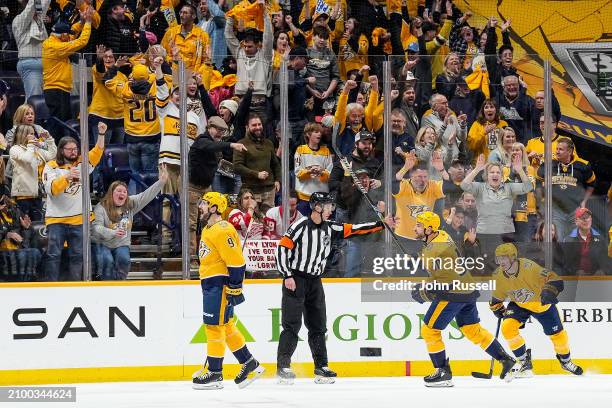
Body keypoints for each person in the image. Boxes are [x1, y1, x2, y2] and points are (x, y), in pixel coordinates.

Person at [275, 192, 394, 384]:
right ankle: (283, 367)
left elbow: (354, 229)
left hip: (315, 281)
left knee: (318, 326)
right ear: (317, 207)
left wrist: (381, 224)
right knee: (291, 325)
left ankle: (321, 367)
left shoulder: (330, 227)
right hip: (296, 279)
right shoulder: (300, 226)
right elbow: (282, 249)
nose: (331, 209)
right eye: (328, 206)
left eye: (331, 205)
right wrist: (287, 274)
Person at [412, 212, 516, 387]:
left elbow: (443, 280)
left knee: (430, 330)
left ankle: (442, 372)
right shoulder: (442, 235)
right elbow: (441, 267)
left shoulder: (433, 250)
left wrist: (424, 291)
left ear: (429, 229)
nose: (415, 228)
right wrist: (420, 261)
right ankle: (505, 359)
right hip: (468, 289)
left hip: (453, 293)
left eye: (419, 225)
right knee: (472, 330)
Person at [192, 192, 264, 389]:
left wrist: (234, 287)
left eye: (205, 203)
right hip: (210, 283)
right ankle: (249, 363)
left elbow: (237, 261)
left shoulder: (223, 229)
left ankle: (215, 372)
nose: (201, 206)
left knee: (213, 326)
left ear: (215, 207)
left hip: (219, 284)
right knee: (226, 325)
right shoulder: (209, 227)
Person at [491, 243, 584, 377]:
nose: (501, 261)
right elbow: (497, 295)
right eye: (498, 258)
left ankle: (565, 361)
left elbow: (555, 279)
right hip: (519, 304)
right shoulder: (498, 275)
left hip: (541, 303)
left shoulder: (529, 267)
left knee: (558, 335)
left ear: (513, 257)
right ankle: (524, 361)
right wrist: (496, 307)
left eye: (504, 258)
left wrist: (548, 291)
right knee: (507, 327)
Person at [42, 122, 106, 281]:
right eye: (70, 149)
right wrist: (66, 177)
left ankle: (76, 286)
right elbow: (52, 190)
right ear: (61, 150)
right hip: (56, 219)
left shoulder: (81, 163)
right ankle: (51, 286)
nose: (73, 152)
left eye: (75, 149)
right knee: (53, 255)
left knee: (78, 256)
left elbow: (97, 152)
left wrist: (102, 134)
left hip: (79, 219)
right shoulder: (50, 167)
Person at [92, 165, 168, 280]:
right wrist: (112, 232)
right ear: (111, 193)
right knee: (107, 261)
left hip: (121, 244)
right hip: (103, 243)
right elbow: (96, 228)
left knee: (124, 259)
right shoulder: (101, 207)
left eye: (124, 191)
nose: (122, 193)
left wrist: (161, 182)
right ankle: (107, 286)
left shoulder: (130, 204)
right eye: (118, 191)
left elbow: (146, 195)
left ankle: (120, 285)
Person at [460, 153, 533, 271]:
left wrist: (520, 170)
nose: (495, 175)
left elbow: (528, 187)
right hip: (484, 235)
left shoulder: (509, 188)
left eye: (498, 172)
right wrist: (477, 169)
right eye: (492, 172)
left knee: (506, 267)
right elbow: (464, 185)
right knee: (487, 268)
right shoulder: (480, 188)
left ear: (502, 175)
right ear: (487, 175)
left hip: (505, 235)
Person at [188, 116, 246, 258]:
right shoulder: (201, 141)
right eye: (218, 130)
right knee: (191, 223)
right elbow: (211, 146)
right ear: (209, 128)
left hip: (206, 187)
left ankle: (209, 253)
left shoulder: (216, 144)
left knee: (210, 219)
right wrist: (232, 145)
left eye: (223, 131)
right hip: (191, 187)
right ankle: (191, 259)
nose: (220, 133)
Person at [536, 138, 595, 240]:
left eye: (561, 149)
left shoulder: (583, 165)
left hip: (575, 211)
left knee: (575, 240)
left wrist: (584, 201)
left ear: (570, 151)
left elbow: (592, 184)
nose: (557, 151)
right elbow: (538, 182)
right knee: (557, 239)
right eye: (557, 148)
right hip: (555, 210)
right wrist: (541, 201)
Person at [42, 8, 93, 121]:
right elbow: (82, 41)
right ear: (63, 35)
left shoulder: (55, 40)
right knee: (58, 123)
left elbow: (72, 33)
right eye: (67, 35)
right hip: (55, 90)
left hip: (59, 89)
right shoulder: (57, 47)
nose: (69, 37)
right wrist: (88, 23)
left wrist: (81, 22)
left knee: (63, 122)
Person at [9, 124, 57, 222]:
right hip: (23, 195)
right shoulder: (15, 149)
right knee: (23, 228)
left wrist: (49, 139)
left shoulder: (35, 149)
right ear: (22, 135)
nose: (34, 136)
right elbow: (27, 159)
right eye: (30, 134)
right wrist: (31, 144)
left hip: (37, 194)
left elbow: (52, 155)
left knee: (37, 226)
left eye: (33, 133)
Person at [233, 114, 281, 207]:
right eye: (254, 125)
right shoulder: (241, 144)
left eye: (259, 124)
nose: (258, 127)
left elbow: (275, 164)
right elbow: (237, 167)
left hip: (269, 190)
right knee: (252, 219)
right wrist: (256, 174)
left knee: (269, 220)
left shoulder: (268, 143)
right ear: (247, 127)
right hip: (251, 192)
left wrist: (277, 180)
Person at [12, 0, 52, 101]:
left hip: (46, 65)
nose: (39, 11)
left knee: (42, 101)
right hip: (30, 64)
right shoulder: (19, 20)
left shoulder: (39, 21)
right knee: (34, 100)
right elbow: (30, 8)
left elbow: (44, 3)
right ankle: (27, 116)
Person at [294, 122, 333, 216]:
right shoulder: (300, 150)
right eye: (316, 131)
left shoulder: (326, 151)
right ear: (308, 134)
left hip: (322, 197)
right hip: (304, 197)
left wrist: (321, 172)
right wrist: (309, 171)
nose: (319, 134)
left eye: (320, 132)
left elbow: (330, 173)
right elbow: (298, 172)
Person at [0, 195, 41, 282]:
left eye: (7, 203)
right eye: (2, 203)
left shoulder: (16, 213)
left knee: (34, 252)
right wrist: (6, 234)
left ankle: (25, 283)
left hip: (18, 253)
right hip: (3, 253)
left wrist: (26, 229)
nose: (5, 206)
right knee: (23, 255)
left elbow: (25, 244)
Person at [161, 3, 210, 72]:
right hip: (172, 72)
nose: (181, 15)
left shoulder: (203, 35)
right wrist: (172, 60)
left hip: (195, 75)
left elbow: (207, 60)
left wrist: (197, 73)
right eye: (180, 12)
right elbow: (162, 53)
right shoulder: (171, 33)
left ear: (193, 16)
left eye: (185, 13)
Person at [562, 208, 609, 276]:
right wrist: (575, 272)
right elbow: (565, 264)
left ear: (591, 220)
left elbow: (606, 261)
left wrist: (602, 270)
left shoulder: (600, 239)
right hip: (575, 281)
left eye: (587, 217)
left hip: (596, 280)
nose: (586, 220)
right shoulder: (568, 240)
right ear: (576, 221)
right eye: (582, 218)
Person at [467, 99, 508, 164]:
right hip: (481, 164)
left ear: (496, 110)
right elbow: (471, 146)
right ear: (483, 111)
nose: (489, 109)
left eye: (492, 107)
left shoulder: (503, 124)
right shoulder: (476, 124)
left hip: (500, 164)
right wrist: (484, 132)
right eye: (486, 107)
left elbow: (509, 144)